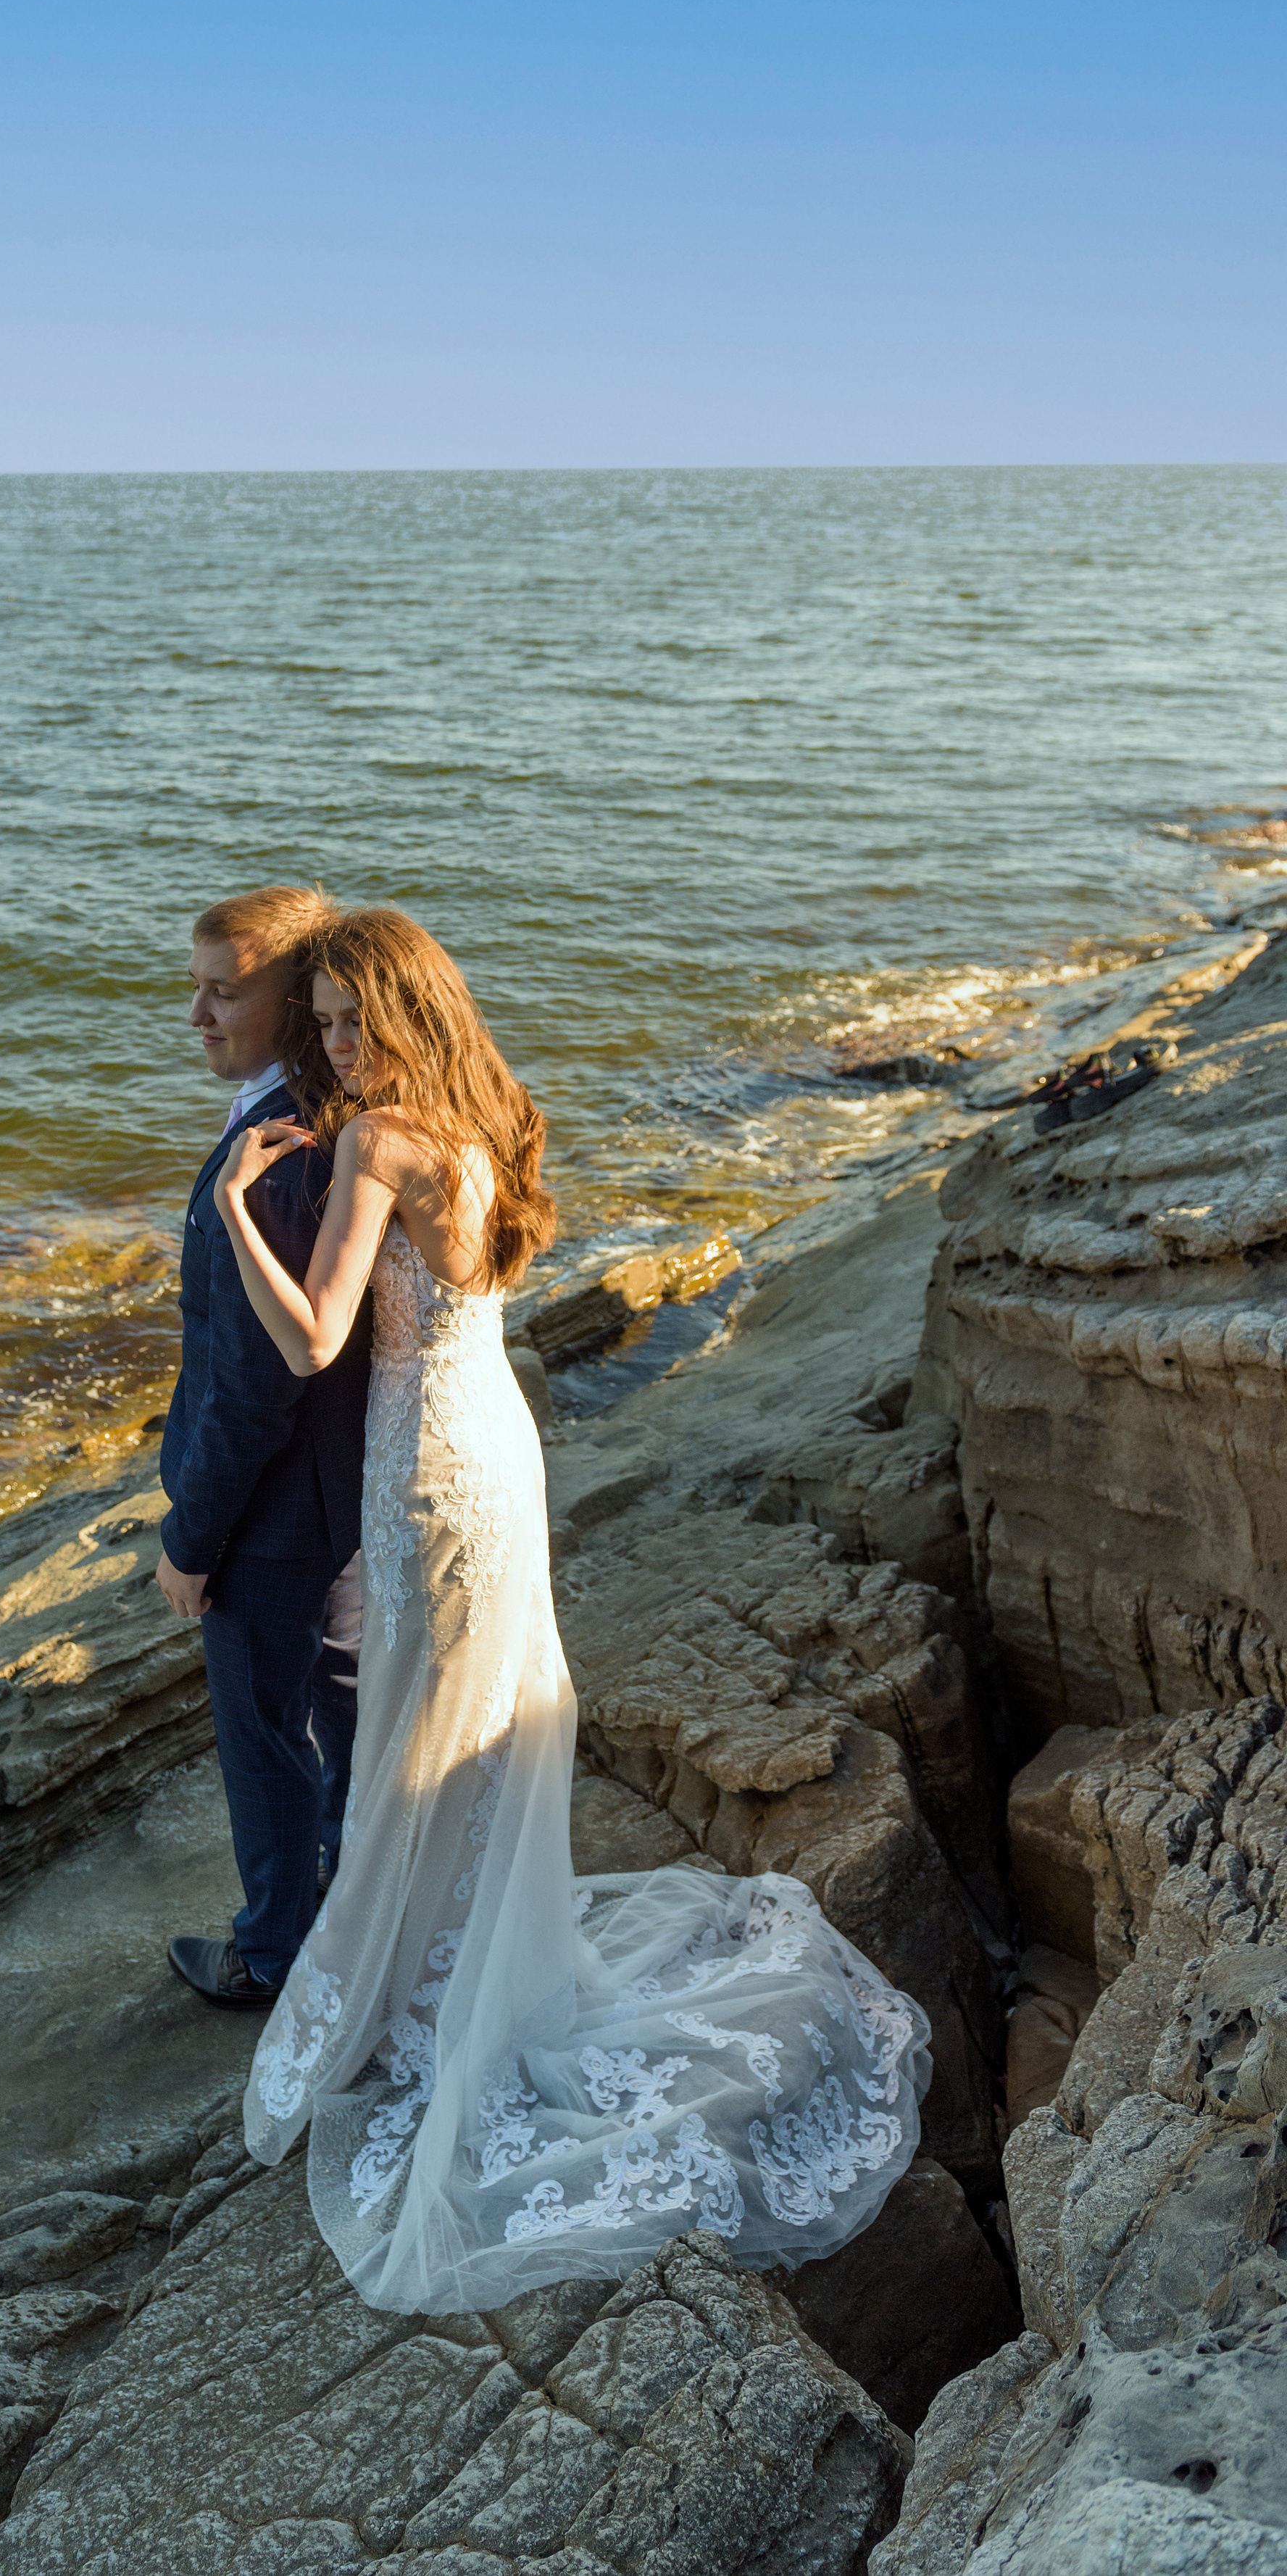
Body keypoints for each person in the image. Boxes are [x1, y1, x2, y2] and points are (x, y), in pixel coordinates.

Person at [210, 905, 933, 2314]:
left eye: (358, 1022)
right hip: (492, 1442)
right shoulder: (483, 1123)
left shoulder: (372, 1140)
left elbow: (309, 1337)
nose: (340, 1046)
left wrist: (241, 1203)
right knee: (473, 1717)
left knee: (420, 1735)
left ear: (406, 1014)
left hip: (421, 1469)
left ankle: (425, 2000)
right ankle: (456, 1969)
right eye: (329, 1025)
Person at [156, 886, 371, 2008]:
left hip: (273, 1516)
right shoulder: (322, 1116)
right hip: (336, 1501)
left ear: (294, 1003)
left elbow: (252, 1388)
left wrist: (192, 1541)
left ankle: (277, 1954)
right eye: (195, 984)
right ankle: (346, 1902)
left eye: (222, 991)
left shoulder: (281, 1152)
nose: (194, 1012)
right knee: (336, 1708)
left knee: (266, 1739)